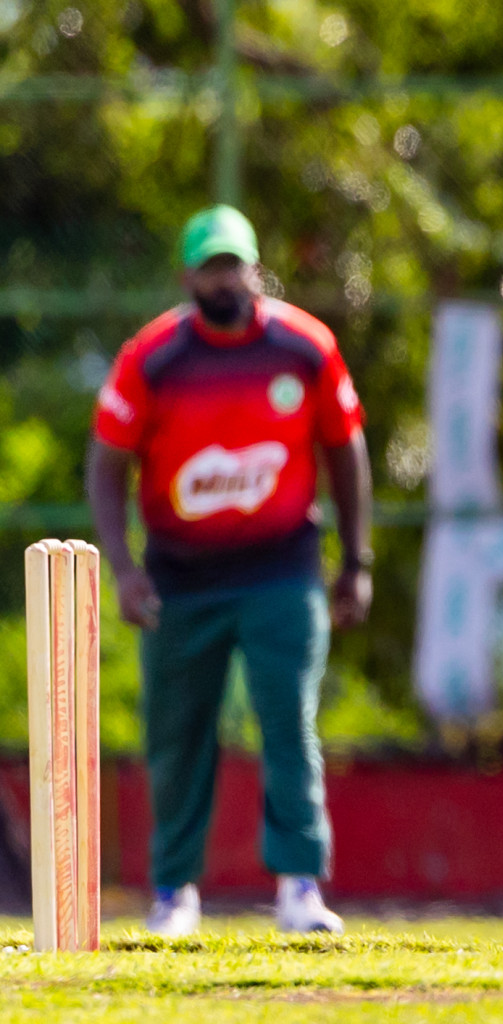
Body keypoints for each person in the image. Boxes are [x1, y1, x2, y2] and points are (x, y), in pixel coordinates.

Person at [87, 205, 374, 936]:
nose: (224, 278)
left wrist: (357, 561)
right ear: (187, 275)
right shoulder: (152, 357)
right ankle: (174, 892)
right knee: (177, 735)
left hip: (283, 567)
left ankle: (300, 887)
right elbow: (105, 463)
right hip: (182, 576)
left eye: (234, 263)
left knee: (288, 720)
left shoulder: (304, 346)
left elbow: (346, 449)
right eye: (210, 265)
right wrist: (123, 569)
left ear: (255, 266)